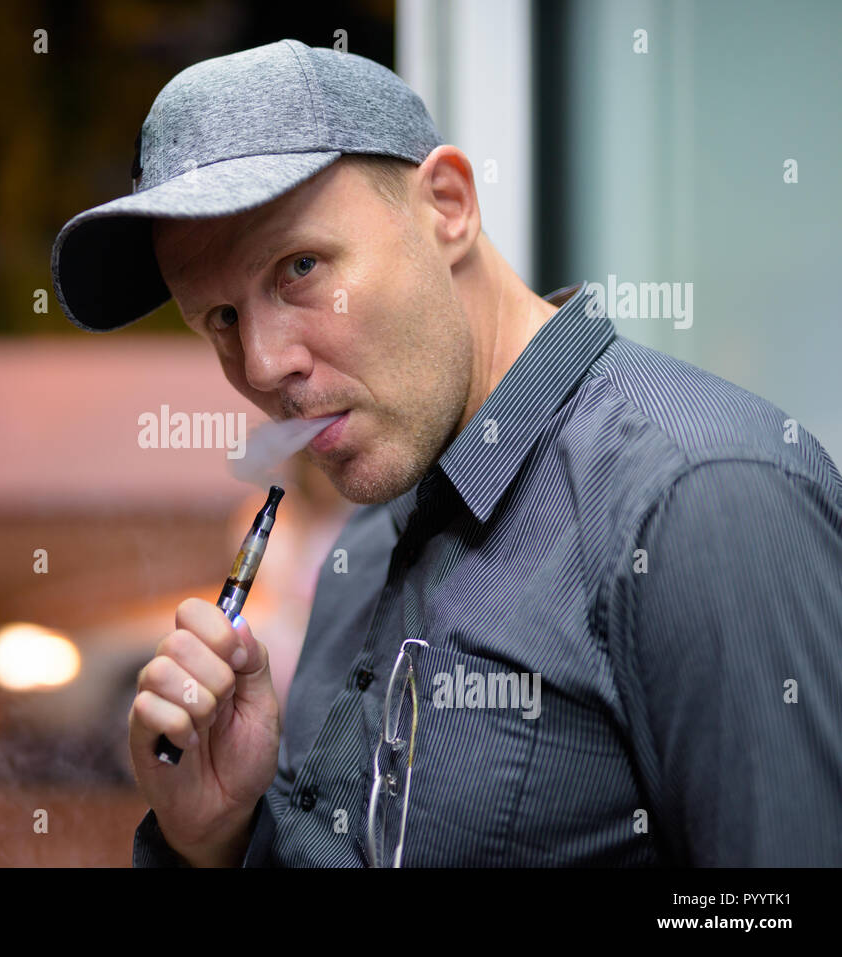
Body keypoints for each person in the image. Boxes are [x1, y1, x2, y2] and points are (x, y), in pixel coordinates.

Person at [50, 39, 842, 866]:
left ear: (449, 205)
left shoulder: (701, 502)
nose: (261, 365)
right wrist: (219, 839)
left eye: (300, 268)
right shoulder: (369, 533)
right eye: (219, 317)